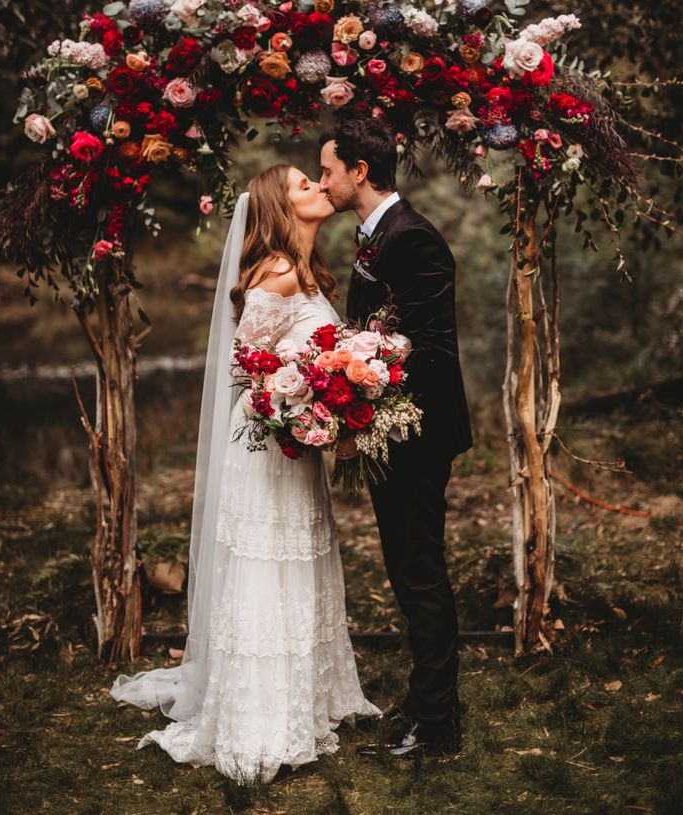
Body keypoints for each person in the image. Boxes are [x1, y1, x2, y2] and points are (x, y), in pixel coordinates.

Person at [109, 165, 380, 782]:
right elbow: (247, 370)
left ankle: (304, 699)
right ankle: (258, 717)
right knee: (267, 565)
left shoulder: (307, 271)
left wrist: (328, 404)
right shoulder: (278, 275)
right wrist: (297, 403)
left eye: (317, 179)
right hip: (266, 445)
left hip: (295, 443)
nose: (318, 187)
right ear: (282, 209)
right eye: (303, 185)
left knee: (298, 561)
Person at [319, 118, 474, 759]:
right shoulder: (376, 236)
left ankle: (437, 726)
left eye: (328, 168)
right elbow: (382, 324)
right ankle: (426, 705)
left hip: (417, 435)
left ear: (359, 169)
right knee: (407, 571)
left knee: (419, 573)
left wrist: (366, 378)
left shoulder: (414, 239)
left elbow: (433, 348)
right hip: (392, 431)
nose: (323, 180)